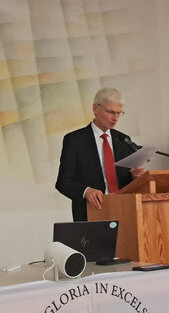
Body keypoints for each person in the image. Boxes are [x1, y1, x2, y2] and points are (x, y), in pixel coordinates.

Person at [55, 87, 144, 221]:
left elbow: (127, 182)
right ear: (95, 108)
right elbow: (63, 182)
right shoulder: (75, 140)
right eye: (111, 112)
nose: (116, 118)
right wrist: (86, 191)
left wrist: (136, 177)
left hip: (123, 210)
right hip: (91, 212)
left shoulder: (123, 140)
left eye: (119, 113)